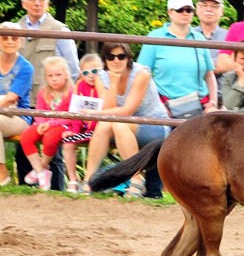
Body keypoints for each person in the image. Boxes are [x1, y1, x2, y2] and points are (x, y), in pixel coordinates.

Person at [137, 0, 217, 198]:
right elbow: (142, 74)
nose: (185, 13)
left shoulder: (199, 39)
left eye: (188, 10)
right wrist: (154, 103)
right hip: (162, 102)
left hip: (195, 104)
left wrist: (213, 102)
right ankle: (153, 190)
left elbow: (209, 75)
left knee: (199, 147)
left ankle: (197, 192)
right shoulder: (155, 37)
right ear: (169, 13)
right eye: (180, 10)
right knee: (160, 140)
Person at [82, 43, 170, 197]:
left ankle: (136, 179)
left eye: (121, 56)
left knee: (118, 124)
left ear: (128, 58)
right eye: (111, 57)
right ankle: (89, 180)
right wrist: (114, 83)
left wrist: (94, 112)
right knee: (105, 124)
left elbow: (127, 111)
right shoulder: (102, 76)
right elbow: (107, 112)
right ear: (105, 60)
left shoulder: (140, 73)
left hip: (155, 125)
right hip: (122, 124)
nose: (116, 60)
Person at [16, 0, 80, 191]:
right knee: (22, 147)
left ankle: (57, 193)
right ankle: (26, 191)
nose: (37, 3)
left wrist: (61, 93)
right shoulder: (14, 30)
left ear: (47, 3)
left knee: (54, 149)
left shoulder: (60, 30)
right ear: (24, 3)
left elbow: (72, 67)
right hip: (25, 101)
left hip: (55, 102)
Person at [19, 57, 74, 191]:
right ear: (45, 77)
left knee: (50, 139)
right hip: (44, 124)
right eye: (50, 75)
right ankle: (40, 172)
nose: (54, 79)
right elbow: (39, 111)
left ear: (66, 75)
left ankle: (42, 168)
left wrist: (51, 124)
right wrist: (42, 124)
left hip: (63, 125)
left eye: (58, 75)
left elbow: (71, 116)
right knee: (26, 137)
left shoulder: (71, 92)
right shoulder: (43, 92)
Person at [61, 54, 105, 193]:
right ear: (81, 74)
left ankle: (92, 181)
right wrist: (75, 130)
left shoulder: (105, 85)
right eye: (86, 72)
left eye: (95, 71)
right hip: (84, 130)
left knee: (95, 143)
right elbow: (75, 110)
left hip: (100, 130)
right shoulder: (79, 85)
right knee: (68, 141)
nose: (91, 75)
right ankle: (73, 180)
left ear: (102, 71)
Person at [0, 22, 34, 187]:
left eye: (14, 37)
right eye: (4, 37)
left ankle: (2, 175)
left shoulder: (26, 67)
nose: (9, 41)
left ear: (20, 41)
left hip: (18, 116)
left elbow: (11, 98)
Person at [193, 0, 228, 106]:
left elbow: (235, 63)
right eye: (204, 5)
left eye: (214, 6)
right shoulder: (188, 35)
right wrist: (217, 65)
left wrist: (202, 66)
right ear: (197, 10)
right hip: (192, 100)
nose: (209, 9)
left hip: (224, 100)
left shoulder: (229, 37)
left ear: (222, 11)